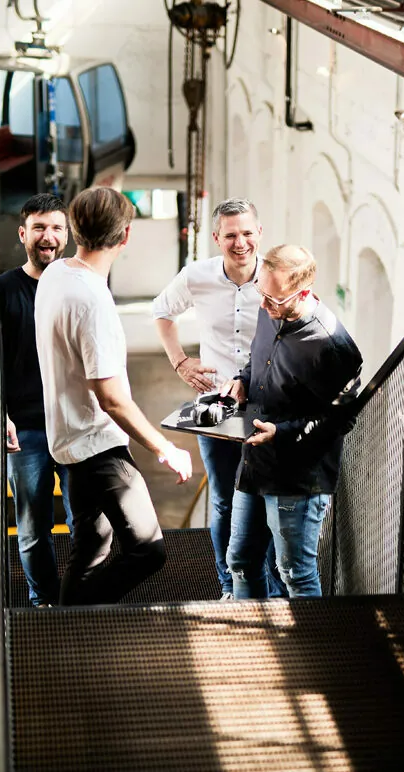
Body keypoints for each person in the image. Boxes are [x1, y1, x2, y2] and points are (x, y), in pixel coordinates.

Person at [34, 187, 192, 606]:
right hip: (96, 447)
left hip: (66, 442)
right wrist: (166, 449)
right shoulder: (91, 300)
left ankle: (67, 635)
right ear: (125, 237)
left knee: (91, 550)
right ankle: (78, 620)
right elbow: (113, 399)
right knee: (148, 550)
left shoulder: (55, 274)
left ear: (73, 229)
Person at [153, 197, 286, 600]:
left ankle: (271, 583)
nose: (240, 242)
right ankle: (230, 584)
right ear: (216, 238)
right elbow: (162, 312)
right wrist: (180, 362)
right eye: (230, 235)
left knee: (267, 498)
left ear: (259, 233)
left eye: (247, 233)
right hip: (216, 407)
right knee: (226, 500)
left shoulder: (278, 277)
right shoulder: (197, 276)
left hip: (268, 405)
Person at [222, 244, 363, 599]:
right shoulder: (270, 307)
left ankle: (311, 648)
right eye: (261, 292)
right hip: (255, 463)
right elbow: (258, 358)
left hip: (298, 479)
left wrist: (281, 433)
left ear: (303, 291)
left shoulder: (333, 346)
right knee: (240, 561)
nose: (264, 305)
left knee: (294, 574)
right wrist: (242, 380)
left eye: (275, 299)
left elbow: (340, 420)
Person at [0, 193, 73, 608]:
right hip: (27, 429)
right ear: (23, 234)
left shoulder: (79, 283)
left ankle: (83, 598)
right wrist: (0, 413)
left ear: (67, 235)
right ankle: (44, 603)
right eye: (39, 228)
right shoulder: (1, 289)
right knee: (33, 527)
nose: (47, 236)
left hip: (74, 424)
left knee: (86, 523)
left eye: (55, 228)